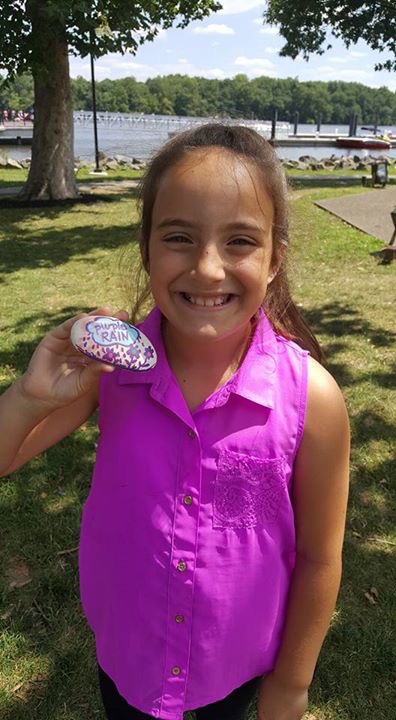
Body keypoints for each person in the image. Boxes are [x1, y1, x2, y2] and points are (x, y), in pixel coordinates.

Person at [0, 124, 350, 720]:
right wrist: (31, 397)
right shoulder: (108, 371)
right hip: (128, 662)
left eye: (240, 241)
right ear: (146, 248)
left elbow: (320, 558)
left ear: (274, 260)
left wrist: (291, 684)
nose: (208, 268)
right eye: (180, 237)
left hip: (233, 670)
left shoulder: (311, 398)